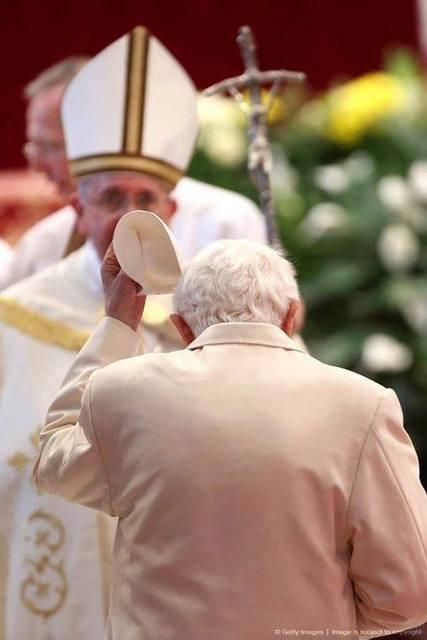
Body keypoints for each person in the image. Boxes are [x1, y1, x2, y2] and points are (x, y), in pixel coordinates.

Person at [33, 238, 427, 639]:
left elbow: (53, 461)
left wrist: (117, 327)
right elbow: (409, 593)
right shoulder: (364, 403)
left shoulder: (121, 389)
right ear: (292, 317)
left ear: (182, 328)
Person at [0, 25, 201, 639]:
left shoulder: (200, 315)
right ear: (78, 205)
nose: (128, 214)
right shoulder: (17, 314)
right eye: (111, 195)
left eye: (146, 196)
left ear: (171, 212)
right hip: (52, 565)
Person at [0, 59, 266, 290]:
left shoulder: (225, 224)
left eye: (49, 146)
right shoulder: (41, 246)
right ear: (79, 210)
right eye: (34, 147)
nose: (37, 167)